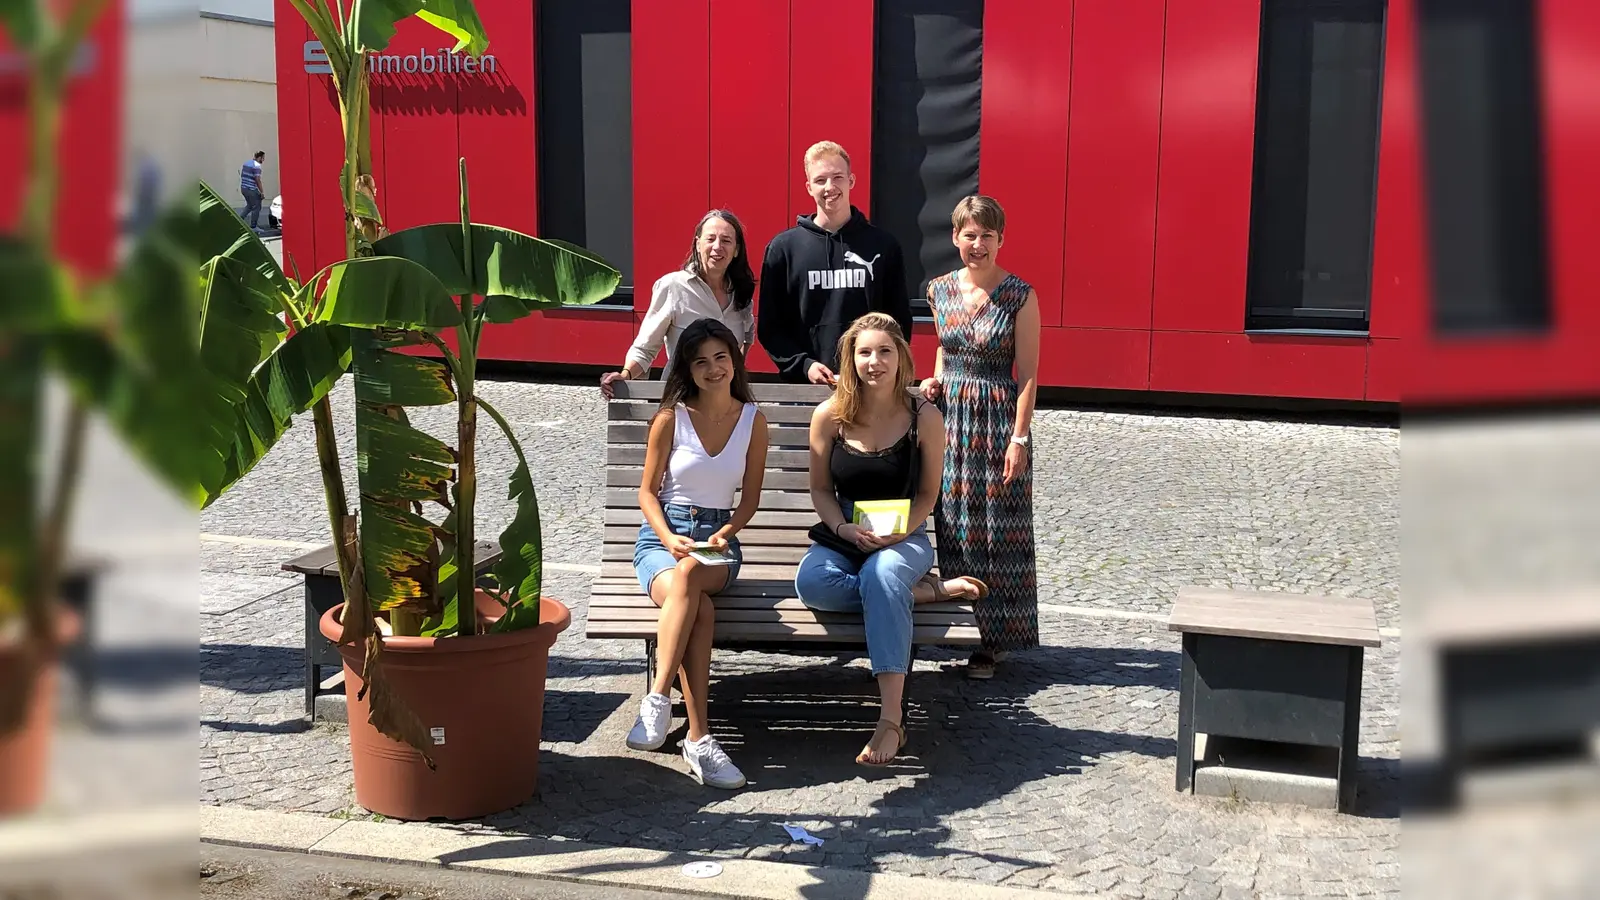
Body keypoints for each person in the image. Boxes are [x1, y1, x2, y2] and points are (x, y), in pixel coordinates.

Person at [796, 313, 988, 765]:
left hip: (906, 532)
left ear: (901, 357)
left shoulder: (925, 415)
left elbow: (928, 493)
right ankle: (927, 593)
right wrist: (842, 528)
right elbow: (821, 490)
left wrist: (903, 530)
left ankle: (890, 720)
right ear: (850, 358)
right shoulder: (830, 416)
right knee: (812, 584)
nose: (874, 362)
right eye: (864, 352)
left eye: (884, 351)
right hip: (846, 531)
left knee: (884, 573)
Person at [626, 318, 769, 789]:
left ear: (735, 361)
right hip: (663, 541)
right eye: (701, 361)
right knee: (697, 605)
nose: (713, 369)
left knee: (692, 578)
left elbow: (748, 500)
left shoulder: (753, 420)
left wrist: (727, 531)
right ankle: (700, 739)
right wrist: (668, 538)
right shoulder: (671, 417)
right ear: (687, 367)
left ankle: (657, 698)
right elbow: (648, 494)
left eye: (721, 358)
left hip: (718, 542)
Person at [919, 195, 1041, 679]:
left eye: (987, 235)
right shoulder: (939, 290)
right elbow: (944, 356)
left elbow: (1028, 374)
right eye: (969, 234)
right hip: (950, 419)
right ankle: (955, 625)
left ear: (1000, 239)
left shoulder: (1019, 295)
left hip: (995, 417)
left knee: (997, 526)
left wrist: (1020, 438)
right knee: (952, 520)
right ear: (955, 238)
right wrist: (933, 382)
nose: (978, 244)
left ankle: (993, 641)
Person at [756, 141, 912, 386]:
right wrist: (804, 365)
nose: (830, 187)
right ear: (808, 187)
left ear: (851, 181)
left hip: (869, 385)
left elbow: (899, 321)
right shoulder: (783, 249)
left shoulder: (883, 246)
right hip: (806, 388)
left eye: (838, 177)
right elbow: (770, 327)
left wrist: (878, 366)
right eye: (820, 180)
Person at [601, 210, 757, 398]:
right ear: (698, 244)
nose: (717, 247)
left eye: (726, 240)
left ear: (736, 250)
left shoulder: (742, 293)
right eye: (710, 239)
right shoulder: (673, 287)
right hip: (681, 400)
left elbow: (746, 340)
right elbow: (646, 347)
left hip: (727, 402)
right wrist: (625, 375)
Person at [241, 151, 266, 231]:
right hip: (251, 189)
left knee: (249, 205)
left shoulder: (246, 163)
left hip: (244, 188)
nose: (263, 160)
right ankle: (253, 226)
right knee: (257, 207)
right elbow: (257, 179)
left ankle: (239, 220)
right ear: (259, 157)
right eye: (263, 158)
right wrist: (261, 192)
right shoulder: (257, 166)